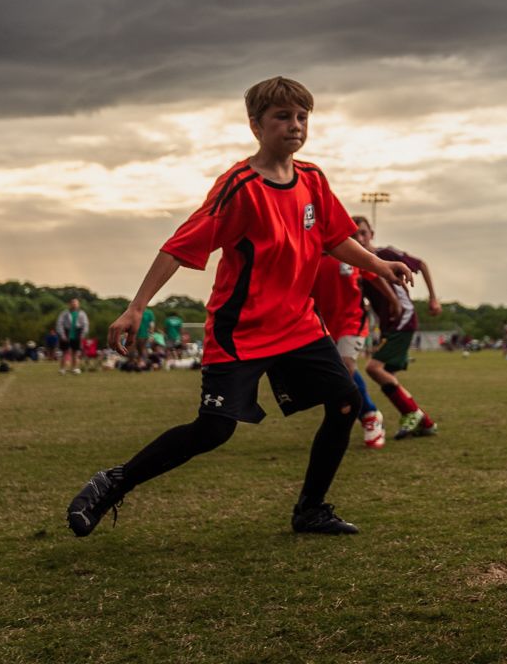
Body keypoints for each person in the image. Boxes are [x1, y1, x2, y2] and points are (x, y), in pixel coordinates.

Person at [65, 76, 414, 538]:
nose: (295, 126)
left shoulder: (312, 178)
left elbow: (334, 237)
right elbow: (178, 247)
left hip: (298, 326)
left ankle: (311, 510)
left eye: (302, 117)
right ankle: (112, 483)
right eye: (283, 117)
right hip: (241, 330)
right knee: (214, 430)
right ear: (255, 125)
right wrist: (136, 307)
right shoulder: (239, 187)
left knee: (346, 403)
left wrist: (377, 264)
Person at [361, 223, 443, 441]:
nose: (359, 238)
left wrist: (433, 298)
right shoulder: (355, 262)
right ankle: (424, 422)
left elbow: (421, 264)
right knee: (389, 377)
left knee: (373, 368)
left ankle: (413, 413)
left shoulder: (385, 254)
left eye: (363, 232)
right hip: (388, 324)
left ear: (372, 234)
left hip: (402, 319)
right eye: (353, 234)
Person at [314, 218, 386, 449]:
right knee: (331, 375)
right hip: (322, 326)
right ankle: (352, 414)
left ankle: (369, 416)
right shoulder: (310, 257)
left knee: (345, 364)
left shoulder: (350, 256)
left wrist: (393, 307)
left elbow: (377, 281)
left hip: (352, 323)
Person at [56, 300, 91, 375]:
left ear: (78, 305)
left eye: (75, 304)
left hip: (77, 333)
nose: (74, 305)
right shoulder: (64, 313)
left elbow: (85, 324)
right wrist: (62, 334)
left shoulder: (82, 314)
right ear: (69, 304)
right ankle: (62, 369)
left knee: (75, 352)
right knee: (65, 352)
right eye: (72, 303)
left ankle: (74, 368)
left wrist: (82, 335)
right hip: (66, 332)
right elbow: (59, 323)